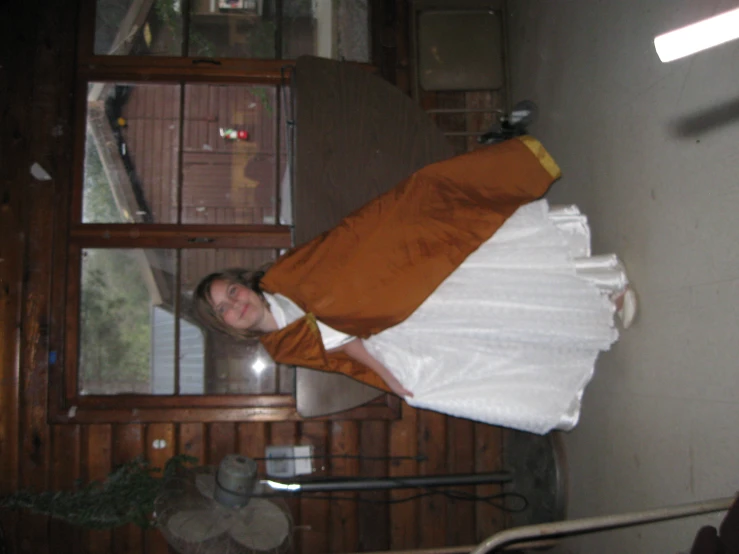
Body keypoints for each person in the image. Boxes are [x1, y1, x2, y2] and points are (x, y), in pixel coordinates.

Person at [193, 136, 637, 435]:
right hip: (400, 329)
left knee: (501, 277)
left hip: (401, 278)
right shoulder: (280, 348)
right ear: (228, 326)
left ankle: (602, 290)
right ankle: (600, 309)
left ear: (241, 283)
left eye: (231, 291)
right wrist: (386, 373)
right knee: (494, 323)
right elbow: (339, 343)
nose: (236, 304)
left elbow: (347, 246)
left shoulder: (283, 273)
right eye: (225, 309)